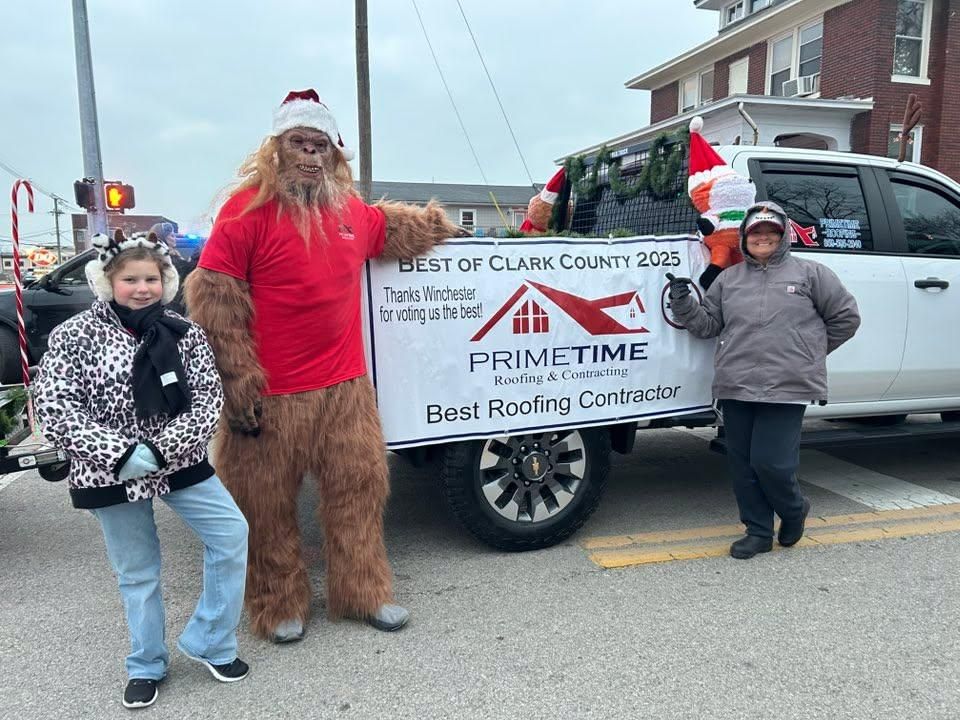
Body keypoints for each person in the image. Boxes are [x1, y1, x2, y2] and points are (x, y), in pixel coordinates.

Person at [184, 89, 469, 642]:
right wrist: (238, 382)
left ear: (335, 155)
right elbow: (216, 300)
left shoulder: (349, 215)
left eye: (321, 146)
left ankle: (364, 592)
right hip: (273, 393)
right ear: (276, 149)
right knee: (263, 507)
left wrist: (442, 227)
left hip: (345, 390)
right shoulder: (244, 212)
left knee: (359, 490)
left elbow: (395, 228)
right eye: (299, 144)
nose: (311, 156)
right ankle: (278, 602)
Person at [33, 229, 250, 710]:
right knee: (138, 572)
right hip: (106, 469)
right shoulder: (74, 336)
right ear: (108, 281)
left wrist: (158, 449)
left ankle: (211, 639)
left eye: (151, 278)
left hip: (177, 460)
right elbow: (53, 406)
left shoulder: (184, 332)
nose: (142, 287)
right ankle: (146, 663)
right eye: (130, 278)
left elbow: (207, 400)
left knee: (231, 534)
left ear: (166, 281)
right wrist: (120, 453)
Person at [667, 202, 861, 559]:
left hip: (787, 386)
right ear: (744, 237)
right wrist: (684, 305)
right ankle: (757, 531)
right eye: (756, 231)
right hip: (737, 384)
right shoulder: (729, 279)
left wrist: (809, 354)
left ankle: (793, 509)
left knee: (772, 463)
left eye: (770, 231)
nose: (763, 237)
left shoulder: (811, 274)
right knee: (742, 465)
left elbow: (846, 318)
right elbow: (708, 325)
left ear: (783, 235)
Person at [148, 222, 195, 315]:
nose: (175, 239)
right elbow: (185, 270)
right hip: (169, 305)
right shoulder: (164, 257)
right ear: (163, 237)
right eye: (172, 236)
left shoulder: (153, 254)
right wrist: (195, 258)